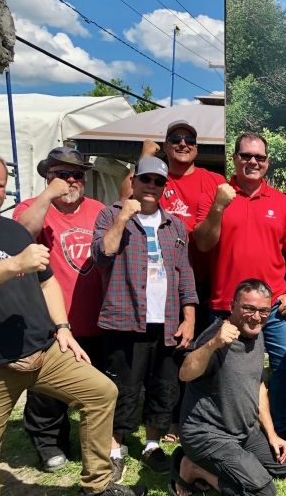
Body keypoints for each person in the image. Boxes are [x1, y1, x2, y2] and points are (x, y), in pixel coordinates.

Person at [0, 150, 143, 496]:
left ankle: (98, 486)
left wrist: (62, 328)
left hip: (42, 351)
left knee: (101, 392)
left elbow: (46, 280)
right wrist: (15, 264)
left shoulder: (10, 230)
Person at [193, 132, 286, 435]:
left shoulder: (282, 202)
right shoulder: (216, 196)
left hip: (274, 308)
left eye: (259, 157)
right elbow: (202, 244)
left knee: (285, 366)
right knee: (225, 371)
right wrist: (218, 207)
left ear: (267, 162)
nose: (253, 162)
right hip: (226, 306)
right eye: (246, 156)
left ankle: (280, 428)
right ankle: (225, 428)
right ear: (235, 159)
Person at [93, 156, 198, 478]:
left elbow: (184, 273)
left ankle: (152, 445)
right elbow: (101, 254)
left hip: (165, 322)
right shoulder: (110, 214)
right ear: (134, 180)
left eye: (158, 182)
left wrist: (189, 317)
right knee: (123, 388)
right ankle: (115, 449)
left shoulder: (175, 225)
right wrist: (123, 217)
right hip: (126, 320)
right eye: (146, 180)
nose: (152, 187)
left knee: (163, 387)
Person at [13, 147, 107, 473]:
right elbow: (20, 234)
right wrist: (48, 195)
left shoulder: (98, 209)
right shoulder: (33, 208)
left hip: (95, 317)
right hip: (49, 319)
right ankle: (48, 443)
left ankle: (92, 443)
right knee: (47, 391)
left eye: (77, 174)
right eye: (61, 173)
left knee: (93, 385)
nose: (71, 180)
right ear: (47, 176)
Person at [142, 120, 226, 444]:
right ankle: (170, 419)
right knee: (167, 356)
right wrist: (143, 155)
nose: (182, 143)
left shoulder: (212, 181)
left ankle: (193, 415)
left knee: (199, 352)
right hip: (160, 284)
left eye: (189, 139)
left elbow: (209, 238)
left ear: (196, 147)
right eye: (175, 139)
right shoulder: (155, 179)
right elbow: (127, 197)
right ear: (165, 145)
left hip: (203, 282)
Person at [174, 279, 286, 495]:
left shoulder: (257, 334)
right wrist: (213, 344)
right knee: (264, 491)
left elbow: (258, 386)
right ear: (232, 306)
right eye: (248, 308)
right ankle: (193, 468)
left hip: (243, 431)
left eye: (263, 311)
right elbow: (184, 373)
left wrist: (272, 434)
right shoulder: (215, 336)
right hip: (207, 435)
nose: (256, 317)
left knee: (283, 467)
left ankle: (215, 464)